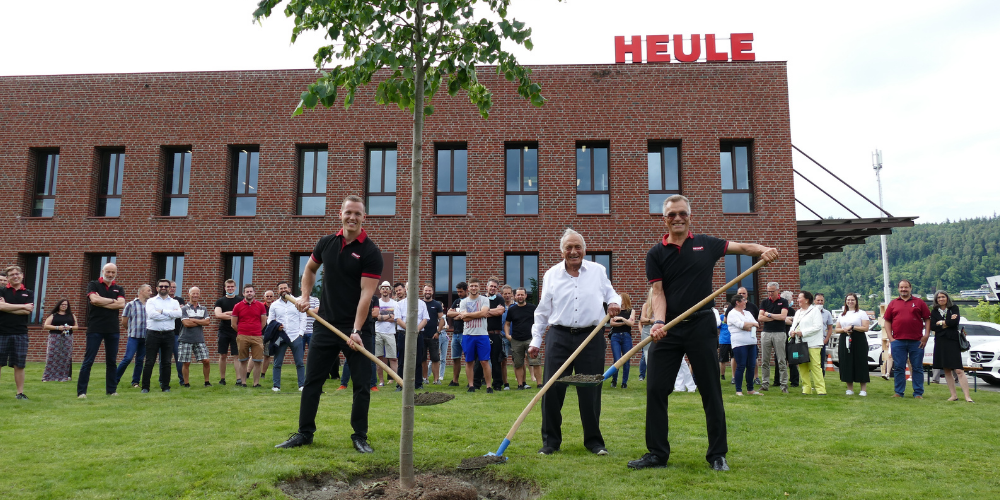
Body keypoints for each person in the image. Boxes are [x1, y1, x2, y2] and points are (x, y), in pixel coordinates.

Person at [629, 194, 777, 472]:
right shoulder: (655, 253)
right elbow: (658, 293)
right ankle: (657, 454)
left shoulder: (705, 244)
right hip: (669, 329)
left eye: (682, 213)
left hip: (701, 326)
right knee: (656, 389)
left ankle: (717, 454)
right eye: (672, 214)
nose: (677, 218)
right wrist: (659, 322)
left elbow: (743, 247)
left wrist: (763, 249)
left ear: (689, 216)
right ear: (665, 219)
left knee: (710, 390)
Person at [275, 195, 382, 453]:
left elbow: (366, 296)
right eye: (348, 212)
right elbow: (310, 270)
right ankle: (304, 433)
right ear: (340, 214)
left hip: (357, 328)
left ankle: (359, 436)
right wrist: (304, 296)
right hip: (324, 323)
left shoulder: (370, 252)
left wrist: (356, 331)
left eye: (358, 213)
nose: (352, 217)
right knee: (313, 380)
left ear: (364, 218)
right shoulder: (326, 243)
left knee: (361, 384)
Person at [530, 228, 621, 457]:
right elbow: (542, 311)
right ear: (562, 251)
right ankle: (550, 442)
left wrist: (613, 303)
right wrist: (536, 340)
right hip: (559, 336)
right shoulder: (551, 274)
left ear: (584, 249)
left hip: (591, 337)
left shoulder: (598, 271)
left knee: (590, 389)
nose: (573, 251)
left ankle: (594, 442)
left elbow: (612, 294)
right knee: (552, 390)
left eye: (577, 247)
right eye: (568, 247)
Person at [78, 262, 126, 398]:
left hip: (113, 329)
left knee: (111, 361)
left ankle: (111, 390)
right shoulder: (93, 284)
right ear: (102, 271)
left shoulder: (119, 288)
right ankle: (82, 392)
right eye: (108, 272)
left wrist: (103, 301)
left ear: (116, 273)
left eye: (113, 272)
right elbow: (94, 300)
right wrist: (112, 301)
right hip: (95, 328)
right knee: (89, 360)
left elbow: (121, 304)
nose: (110, 275)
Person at [884, 279, 930, 399]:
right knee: (899, 367)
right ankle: (899, 392)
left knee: (917, 367)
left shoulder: (919, 302)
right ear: (898, 289)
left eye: (906, 287)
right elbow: (887, 321)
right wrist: (890, 338)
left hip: (917, 341)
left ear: (910, 288)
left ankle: (918, 393)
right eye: (901, 287)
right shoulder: (893, 303)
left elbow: (927, 319)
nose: (903, 289)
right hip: (898, 341)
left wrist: (926, 335)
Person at [930, 291, 973, 402]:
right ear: (936, 299)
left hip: (952, 341)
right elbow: (933, 327)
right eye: (938, 297)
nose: (941, 299)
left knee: (959, 370)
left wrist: (942, 322)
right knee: (947, 370)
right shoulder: (934, 311)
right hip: (940, 342)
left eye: (943, 297)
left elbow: (955, 323)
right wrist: (945, 323)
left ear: (947, 298)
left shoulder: (954, 308)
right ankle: (953, 395)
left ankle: (967, 397)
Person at [142, 279, 182, 393]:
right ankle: (145, 387)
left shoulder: (174, 302)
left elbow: (178, 314)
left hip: (169, 334)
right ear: (157, 288)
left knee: (166, 361)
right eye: (161, 286)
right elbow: (152, 315)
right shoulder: (151, 301)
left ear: (169, 288)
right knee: (149, 361)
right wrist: (170, 315)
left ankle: (165, 386)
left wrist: (162, 311)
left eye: (166, 286)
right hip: (153, 333)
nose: (163, 288)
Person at [0, 265, 33, 399]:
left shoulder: (28, 293)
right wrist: (22, 306)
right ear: (7, 278)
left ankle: (20, 393)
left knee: (19, 364)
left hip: (20, 332)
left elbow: (29, 310)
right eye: (12, 274)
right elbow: (0, 306)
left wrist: (7, 307)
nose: (15, 276)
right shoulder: (1, 291)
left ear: (22, 275)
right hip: (1, 331)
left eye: (17, 273)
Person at [456, 278, 493, 393]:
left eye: (476, 286)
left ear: (479, 287)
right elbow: (464, 318)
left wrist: (469, 315)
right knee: (469, 361)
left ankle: (488, 386)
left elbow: (484, 312)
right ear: (468, 288)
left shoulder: (484, 299)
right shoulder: (464, 302)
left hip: (482, 334)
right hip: (468, 335)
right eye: (471, 286)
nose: (473, 288)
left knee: (484, 361)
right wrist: (478, 315)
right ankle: (471, 386)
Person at [269, 282, 306, 392]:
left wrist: (301, 333)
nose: (283, 290)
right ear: (278, 291)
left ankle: (302, 385)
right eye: (281, 288)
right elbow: (270, 320)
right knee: (277, 362)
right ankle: (276, 386)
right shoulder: (274, 305)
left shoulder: (298, 302)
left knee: (299, 362)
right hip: (281, 336)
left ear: (289, 289)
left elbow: (303, 318)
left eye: (285, 288)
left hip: (295, 336)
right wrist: (277, 327)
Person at [788, 291, 826, 396]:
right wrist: (791, 332)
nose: (797, 300)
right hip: (799, 343)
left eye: (799, 298)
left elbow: (818, 326)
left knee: (815, 366)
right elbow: (793, 326)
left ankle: (820, 389)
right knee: (802, 366)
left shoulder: (815, 311)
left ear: (806, 300)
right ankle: (806, 388)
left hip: (813, 343)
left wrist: (803, 333)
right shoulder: (798, 312)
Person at [232, 284, 267, 388]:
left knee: (258, 361)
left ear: (254, 293)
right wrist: (242, 332)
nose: (249, 293)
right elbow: (233, 324)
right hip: (242, 336)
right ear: (243, 293)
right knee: (243, 360)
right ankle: (243, 382)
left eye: (251, 291)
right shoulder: (237, 306)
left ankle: (256, 383)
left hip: (257, 336)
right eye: (247, 292)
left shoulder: (260, 306)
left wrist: (255, 331)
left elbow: (263, 322)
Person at [504, 286, 540, 389]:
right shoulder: (512, 310)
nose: (520, 296)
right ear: (515, 296)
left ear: (525, 296)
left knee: (536, 361)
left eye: (522, 295)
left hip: (530, 339)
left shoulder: (532, 308)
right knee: (518, 363)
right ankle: (520, 384)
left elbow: (539, 322)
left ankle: (539, 384)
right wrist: (507, 335)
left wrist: (537, 336)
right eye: (518, 295)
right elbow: (507, 324)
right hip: (516, 340)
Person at [756, 282, 789, 393]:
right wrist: (775, 317)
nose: (770, 293)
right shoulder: (765, 302)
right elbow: (760, 318)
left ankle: (784, 385)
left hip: (779, 333)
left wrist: (769, 315)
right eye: (768, 291)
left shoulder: (783, 302)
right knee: (765, 360)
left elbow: (783, 316)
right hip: (766, 333)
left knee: (781, 360)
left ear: (777, 290)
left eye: (772, 291)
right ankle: (765, 384)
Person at [116, 284, 150, 388]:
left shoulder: (150, 305)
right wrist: (130, 330)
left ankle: (135, 382)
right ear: (141, 292)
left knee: (140, 360)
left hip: (145, 337)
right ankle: (114, 379)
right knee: (128, 358)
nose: (150, 293)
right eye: (148, 290)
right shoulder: (131, 305)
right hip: (134, 336)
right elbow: (124, 321)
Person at [836, 293, 870, 396]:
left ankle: (863, 389)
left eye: (852, 300)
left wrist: (853, 327)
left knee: (860, 362)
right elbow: (836, 329)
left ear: (856, 301)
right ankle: (849, 388)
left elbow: (865, 328)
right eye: (848, 300)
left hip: (858, 339)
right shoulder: (842, 314)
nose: (850, 302)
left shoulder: (861, 313)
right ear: (846, 301)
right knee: (846, 362)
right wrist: (844, 329)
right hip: (845, 338)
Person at [727, 295, 760, 396]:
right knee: (741, 366)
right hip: (739, 343)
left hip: (752, 342)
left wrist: (748, 325)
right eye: (744, 300)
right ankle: (738, 390)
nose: (746, 302)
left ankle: (750, 389)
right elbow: (741, 325)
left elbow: (756, 324)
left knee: (751, 366)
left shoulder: (748, 313)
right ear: (737, 302)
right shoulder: (732, 314)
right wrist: (748, 325)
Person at [178, 287, 212, 387]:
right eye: (193, 293)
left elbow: (207, 322)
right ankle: (186, 383)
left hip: (199, 338)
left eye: (197, 293)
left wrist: (193, 320)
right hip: (185, 339)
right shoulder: (184, 308)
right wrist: (201, 322)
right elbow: (186, 323)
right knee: (186, 362)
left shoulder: (203, 308)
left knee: (206, 360)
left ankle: (207, 382)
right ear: (189, 294)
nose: (195, 295)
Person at [214, 280, 243, 386]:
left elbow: (243, 314)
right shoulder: (220, 301)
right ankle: (222, 379)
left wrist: (226, 313)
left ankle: (239, 379)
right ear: (225, 288)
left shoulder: (240, 300)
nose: (230, 288)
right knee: (223, 355)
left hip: (236, 330)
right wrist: (234, 315)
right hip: (223, 331)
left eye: (232, 287)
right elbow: (218, 315)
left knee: (237, 355)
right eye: (228, 287)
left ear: (235, 288)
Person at [42, 299, 77, 382]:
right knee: (52, 355)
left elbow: (76, 327)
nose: (64, 306)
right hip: (55, 337)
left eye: (65, 304)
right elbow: (46, 326)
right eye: (62, 304)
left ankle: (64, 376)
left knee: (65, 356)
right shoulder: (53, 315)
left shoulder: (71, 315)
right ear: (59, 305)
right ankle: (48, 376)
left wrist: (70, 327)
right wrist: (57, 327)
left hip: (67, 337)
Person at [608, 292, 635, 389]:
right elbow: (611, 323)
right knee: (617, 359)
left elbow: (632, 324)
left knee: (626, 360)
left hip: (626, 337)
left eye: (620, 299)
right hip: (615, 336)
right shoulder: (616, 311)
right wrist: (624, 323)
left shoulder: (631, 311)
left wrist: (621, 318)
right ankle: (614, 380)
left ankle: (624, 383)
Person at [373, 281, 398, 387]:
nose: (385, 290)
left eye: (387, 288)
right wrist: (389, 316)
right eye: (383, 288)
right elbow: (375, 317)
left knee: (393, 358)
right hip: (378, 332)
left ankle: (396, 380)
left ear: (390, 290)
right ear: (380, 290)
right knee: (379, 358)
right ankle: (381, 381)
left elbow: (396, 318)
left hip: (390, 333)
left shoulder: (394, 303)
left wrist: (382, 317)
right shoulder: (377, 302)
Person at [419, 284, 444, 385]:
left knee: (435, 358)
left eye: (429, 290)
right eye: (426, 290)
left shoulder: (437, 304)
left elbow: (442, 319)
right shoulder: (420, 303)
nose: (427, 292)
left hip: (433, 336)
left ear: (432, 292)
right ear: (423, 291)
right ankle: (425, 378)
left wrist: (438, 332)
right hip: (421, 335)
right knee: (423, 358)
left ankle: (436, 379)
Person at [446, 282, 468, 386]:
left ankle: (471, 381)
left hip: (466, 333)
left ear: (466, 290)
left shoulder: (469, 301)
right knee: (455, 358)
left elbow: (468, 315)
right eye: (458, 291)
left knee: (469, 358)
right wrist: (461, 314)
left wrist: (458, 315)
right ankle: (455, 380)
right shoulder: (457, 301)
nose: (459, 294)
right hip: (456, 333)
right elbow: (449, 313)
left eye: (461, 291)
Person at [168, 281, 187, 387]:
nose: (172, 289)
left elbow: (181, 313)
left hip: (177, 333)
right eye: (171, 287)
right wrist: (174, 310)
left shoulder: (179, 299)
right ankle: (164, 380)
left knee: (179, 358)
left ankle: (182, 380)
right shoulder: (164, 301)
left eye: (174, 287)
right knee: (165, 359)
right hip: (166, 332)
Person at [814, 293, 835, 379]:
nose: (820, 302)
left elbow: (830, 328)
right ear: (814, 301)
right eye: (818, 300)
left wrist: (826, 339)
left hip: (821, 341)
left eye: (821, 300)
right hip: (810, 341)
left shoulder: (827, 313)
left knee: (821, 362)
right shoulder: (810, 311)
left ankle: (820, 381)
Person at [638, 287, 655, 382]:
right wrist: (654, 321)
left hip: (656, 330)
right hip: (646, 332)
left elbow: (645, 320)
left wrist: (648, 321)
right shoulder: (646, 305)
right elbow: (642, 320)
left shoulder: (660, 305)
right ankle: (651, 378)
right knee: (647, 355)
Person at [260, 289, 276, 380]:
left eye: (271, 296)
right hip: (260, 333)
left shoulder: (275, 306)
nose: (269, 298)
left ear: (273, 297)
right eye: (267, 296)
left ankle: (263, 374)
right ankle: (248, 372)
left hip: (271, 334)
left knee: (267, 355)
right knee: (256, 354)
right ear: (264, 297)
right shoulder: (261, 306)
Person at [717, 307, 731, 382]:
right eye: (725, 307)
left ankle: (734, 376)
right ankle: (722, 375)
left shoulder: (732, 316)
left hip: (733, 340)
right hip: (723, 341)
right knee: (722, 359)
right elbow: (717, 326)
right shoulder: (721, 317)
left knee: (734, 358)